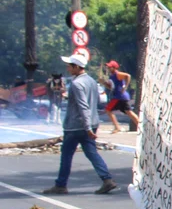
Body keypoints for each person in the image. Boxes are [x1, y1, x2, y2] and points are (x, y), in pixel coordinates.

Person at [43, 54, 117, 195]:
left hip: (76, 125)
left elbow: (83, 106)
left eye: (70, 66)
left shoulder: (77, 84)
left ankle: (61, 185)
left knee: (66, 155)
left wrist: (87, 127)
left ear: (77, 67)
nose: (68, 68)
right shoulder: (91, 81)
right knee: (91, 153)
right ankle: (107, 179)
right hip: (91, 122)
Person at [101, 61, 139, 133]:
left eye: (110, 67)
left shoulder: (117, 74)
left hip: (120, 96)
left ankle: (117, 127)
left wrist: (125, 87)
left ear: (114, 68)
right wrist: (104, 83)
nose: (108, 68)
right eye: (108, 67)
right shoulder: (111, 76)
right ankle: (140, 126)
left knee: (108, 110)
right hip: (119, 96)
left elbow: (128, 76)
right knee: (129, 112)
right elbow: (111, 87)